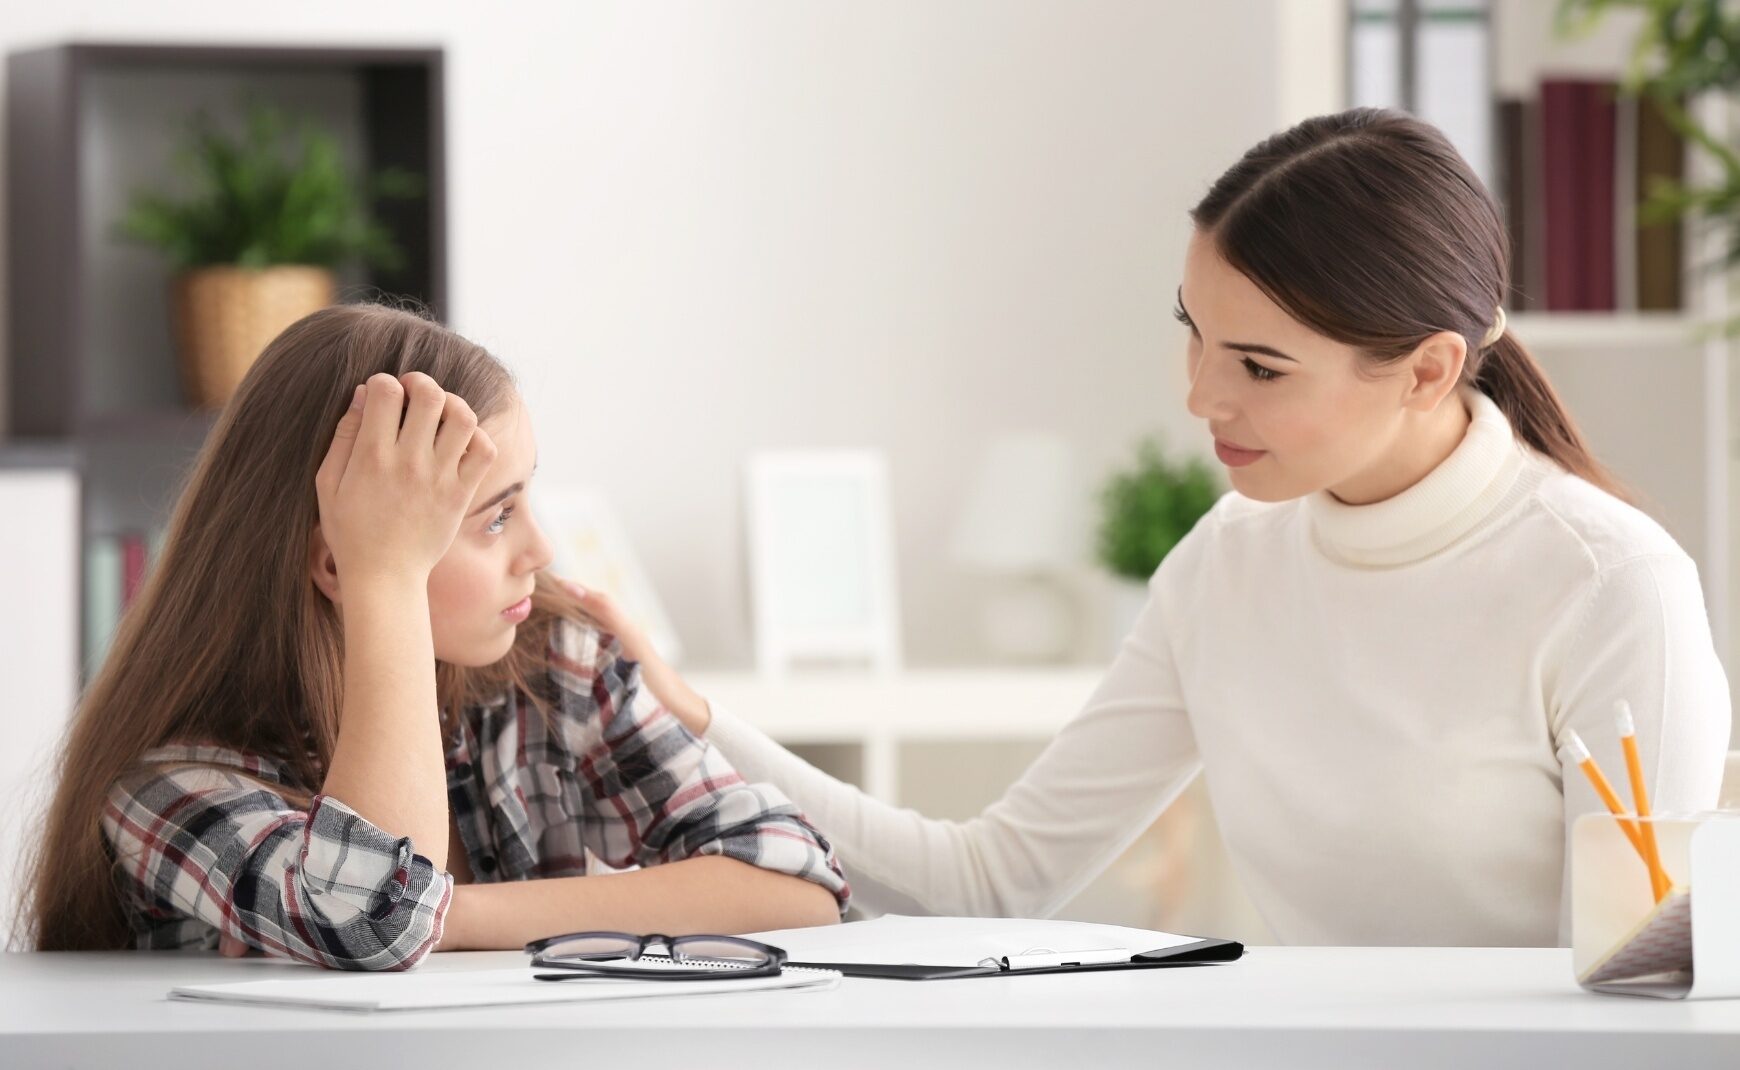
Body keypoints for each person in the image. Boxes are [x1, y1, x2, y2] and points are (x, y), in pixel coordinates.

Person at [580, 108, 1732, 947]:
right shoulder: (1227, 564)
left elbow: (1641, 977)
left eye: (1259, 366)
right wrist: (699, 715)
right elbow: (989, 881)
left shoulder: (1608, 585)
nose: (1201, 397)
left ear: (1429, 369)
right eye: (1195, 333)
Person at [20, 304, 847, 970]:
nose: (541, 551)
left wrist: (460, 915)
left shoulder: (547, 664)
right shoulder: (170, 788)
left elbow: (796, 875)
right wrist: (385, 580)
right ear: (336, 565)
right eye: (493, 517)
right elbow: (373, 919)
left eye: (527, 498)